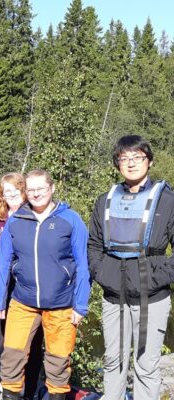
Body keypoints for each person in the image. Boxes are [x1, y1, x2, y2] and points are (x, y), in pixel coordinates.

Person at [0, 169, 90, 400]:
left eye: (41, 188)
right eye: (31, 189)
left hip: (61, 304)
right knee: (12, 357)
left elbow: (83, 264)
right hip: (23, 301)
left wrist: (81, 304)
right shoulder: (16, 220)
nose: (36, 194)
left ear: (52, 188)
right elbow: (3, 262)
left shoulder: (70, 219)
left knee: (58, 362)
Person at [88, 135, 174, 400]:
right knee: (113, 361)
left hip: (153, 296)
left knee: (146, 366)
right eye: (125, 158)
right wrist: (102, 273)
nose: (131, 163)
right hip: (114, 297)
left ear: (149, 161)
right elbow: (93, 244)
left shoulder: (168, 201)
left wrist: (156, 278)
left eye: (138, 157)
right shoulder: (105, 201)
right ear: (117, 164)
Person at [0, 173, 43, 399]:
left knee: (32, 343)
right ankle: (4, 382)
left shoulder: (34, 217)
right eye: (6, 192)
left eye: (15, 192)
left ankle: (30, 388)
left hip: (28, 289)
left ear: (24, 192)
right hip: (3, 288)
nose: (10, 196)